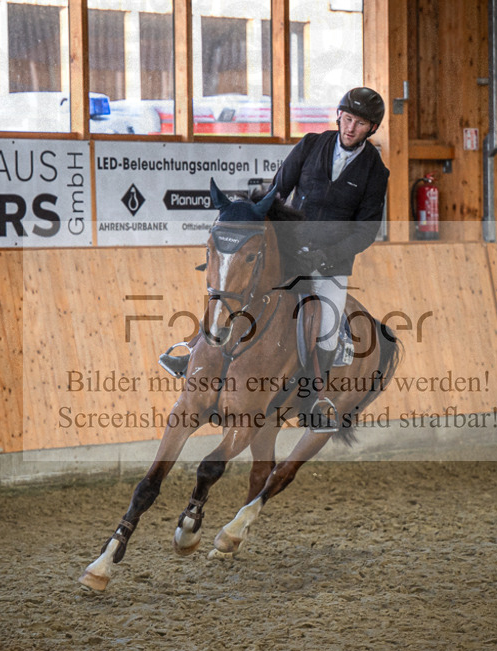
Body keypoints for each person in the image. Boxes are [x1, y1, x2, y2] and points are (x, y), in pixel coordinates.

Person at [160, 86, 389, 431]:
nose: (350, 127)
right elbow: (277, 191)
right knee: (232, 291)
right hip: (287, 251)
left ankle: (317, 400)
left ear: (371, 129)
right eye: (348, 118)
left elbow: (365, 231)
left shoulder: (375, 172)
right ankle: (191, 354)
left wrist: (328, 255)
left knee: (326, 331)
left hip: (329, 265)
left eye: (360, 123)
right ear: (339, 115)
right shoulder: (311, 145)